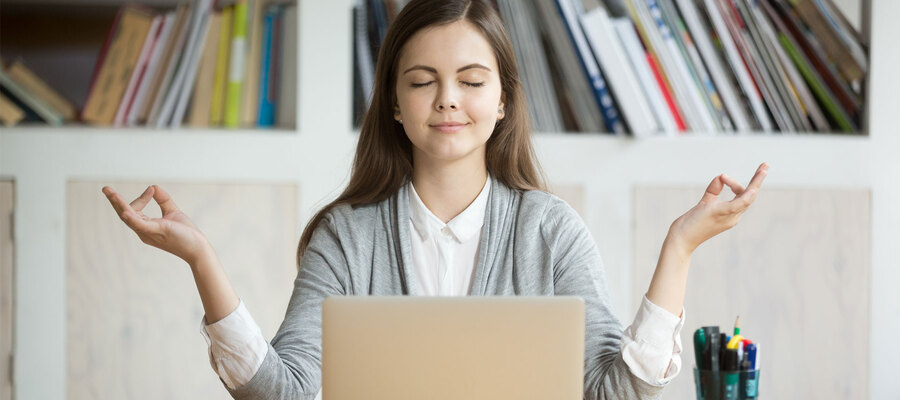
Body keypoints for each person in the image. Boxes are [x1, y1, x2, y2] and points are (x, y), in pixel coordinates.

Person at [101, 0, 769, 398]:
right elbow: (287, 394)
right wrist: (203, 262)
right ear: (395, 102)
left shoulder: (550, 231)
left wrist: (679, 247)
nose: (448, 98)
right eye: (423, 81)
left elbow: (612, 395)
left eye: (471, 80)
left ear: (503, 99)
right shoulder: (347, 235)